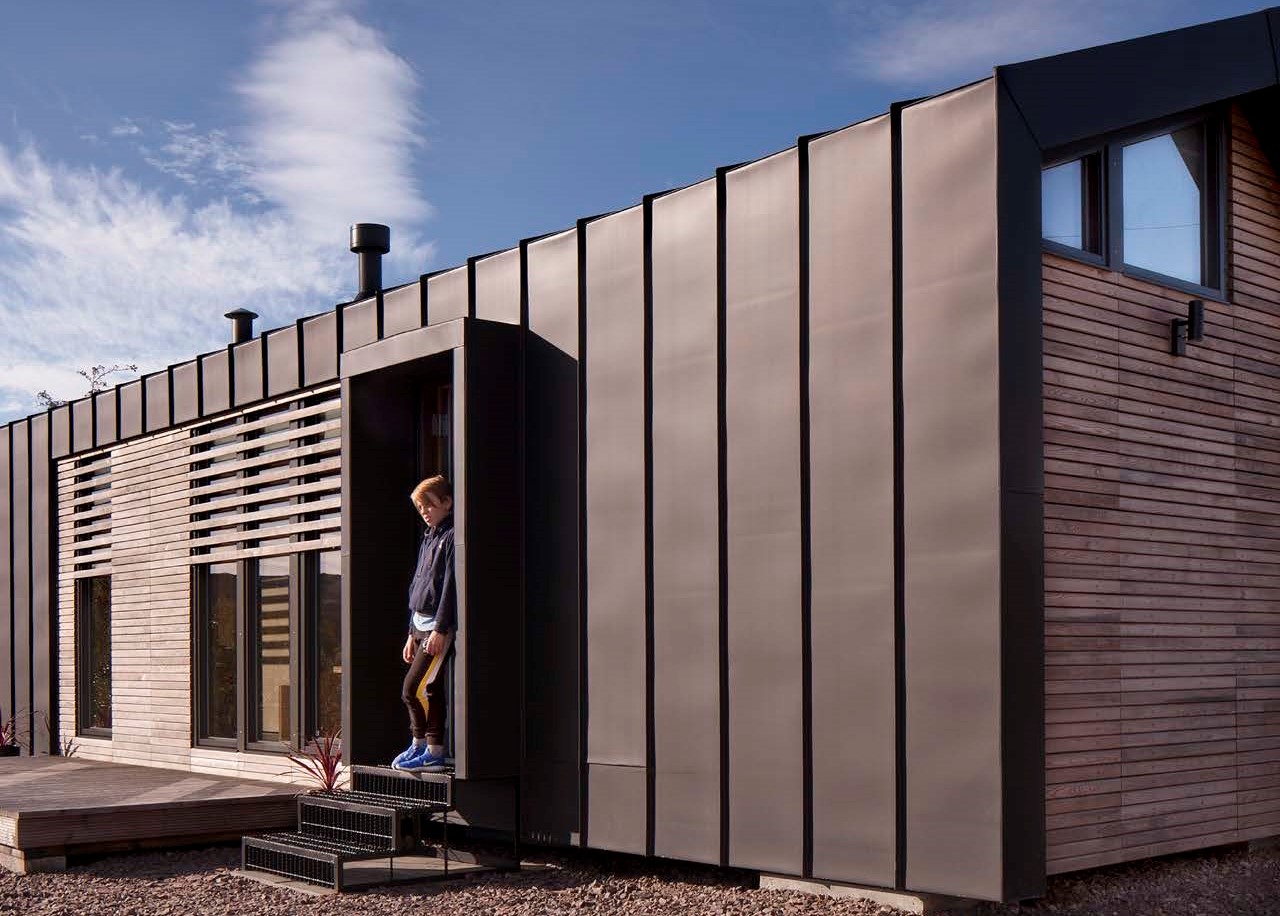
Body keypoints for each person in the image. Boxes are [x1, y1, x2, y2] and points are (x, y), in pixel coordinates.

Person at [391, 475, 456, 772]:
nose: (425, 512)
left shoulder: (451, 537)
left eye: (428, 505)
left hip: (435, 628)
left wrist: (441, 628)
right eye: (420, 508)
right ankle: (420, 746)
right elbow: (418, 584)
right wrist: (410, 633)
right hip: (418, 625)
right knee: (426, 689)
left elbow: (449, 587)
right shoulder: (428, 538)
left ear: (446, 502)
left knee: (413, 688)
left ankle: (431, 750)